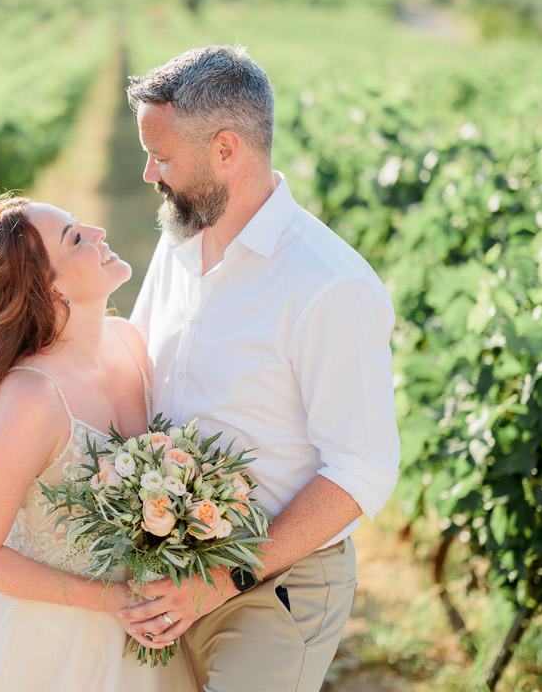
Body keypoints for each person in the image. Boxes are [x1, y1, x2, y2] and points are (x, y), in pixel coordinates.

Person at [120, 45, 401, 691]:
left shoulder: (328, 285)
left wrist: (218, 579)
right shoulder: (179, 241)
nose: (147, 174)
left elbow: (362, 469)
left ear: (226, 150)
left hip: (273, 584)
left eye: (162, 158)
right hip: (165, 574)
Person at [0, 195, 195, 692]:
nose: (98, 231)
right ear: (49, 290)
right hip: (45, 644)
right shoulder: (33, 397)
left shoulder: (129, 343)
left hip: (143, 637)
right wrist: (110, 600)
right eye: (74, 237)